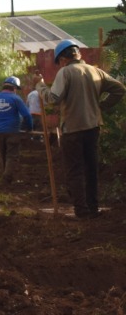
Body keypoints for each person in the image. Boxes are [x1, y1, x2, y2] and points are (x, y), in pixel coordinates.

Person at [45, 39, 125, 219]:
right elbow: (119, 89)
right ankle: (93, 208)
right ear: (78, 54)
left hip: (72, 130)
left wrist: (40, 86)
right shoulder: (95, 71)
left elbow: (53, 99)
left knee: (74, 169)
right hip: (93, 127)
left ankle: (81, 211)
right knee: (91, 168)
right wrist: (101, 106)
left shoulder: (65, 73)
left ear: (63, 59)